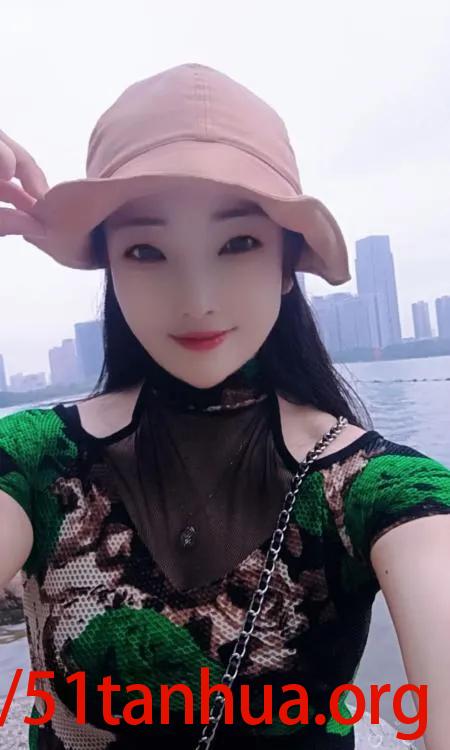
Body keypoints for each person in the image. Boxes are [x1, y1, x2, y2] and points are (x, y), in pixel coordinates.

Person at [0, 63, 449, 750]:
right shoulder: (35, 460)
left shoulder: (373, 487)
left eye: (239, 242)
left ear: (287, 261)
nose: (197, 298)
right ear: (111, 268)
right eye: (146, 250)